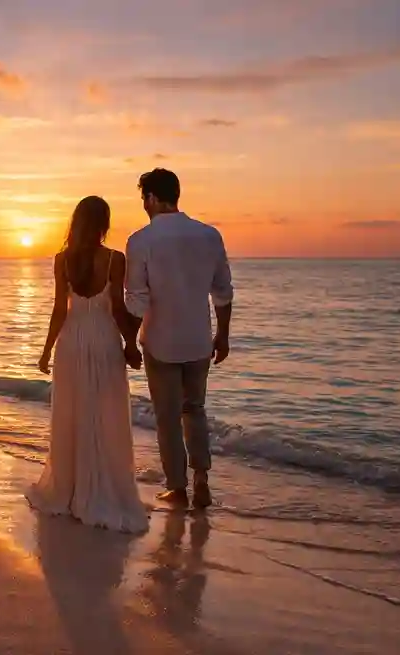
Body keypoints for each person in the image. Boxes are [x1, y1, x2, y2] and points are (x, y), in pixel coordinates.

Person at [28, 196, 149, 534]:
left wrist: (45, 351)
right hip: (103, 342)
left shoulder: (62, 260)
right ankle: (103, 490)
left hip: (70, 344)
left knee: (72, 416)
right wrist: (130, 345)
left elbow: (59, 310)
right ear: (103, 224)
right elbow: (118, 308)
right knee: (104, 414)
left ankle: (69, 491)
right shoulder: (114, 260)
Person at [124, 169, 234, 509]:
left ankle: (178, 487)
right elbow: (223, 292)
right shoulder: (209, 235)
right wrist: (223, 335)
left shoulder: (141, 240)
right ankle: (201, 479)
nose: (143, 204)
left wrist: (128, 340)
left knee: (167, 417)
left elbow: (137, 300)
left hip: (161, 341)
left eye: (144, 197)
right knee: (195, 409)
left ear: (153, 198)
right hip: (199, 340)